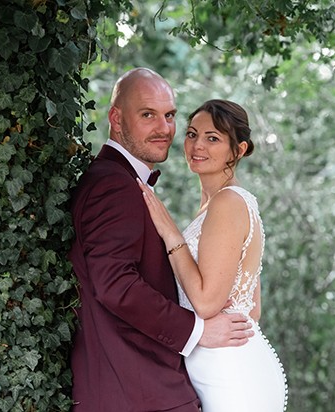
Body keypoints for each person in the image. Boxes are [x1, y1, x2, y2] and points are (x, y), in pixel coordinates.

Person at [68, 68, 255, 412]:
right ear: (116, 118)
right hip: (136, 392)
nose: (164, 129)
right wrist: (196, 333)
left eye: (169, 116)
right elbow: (115, 284)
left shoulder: (122, 182)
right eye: (148, 115)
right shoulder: (113, 185)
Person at [137, 99, 288, 411]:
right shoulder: (219, 205)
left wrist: (171, 234)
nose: (197, 146)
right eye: (192, 134)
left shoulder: (228, 203)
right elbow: (253, 308)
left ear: (240, 150)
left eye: (213, 138)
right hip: (225, 364)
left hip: (230, 375)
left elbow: (206, 303)